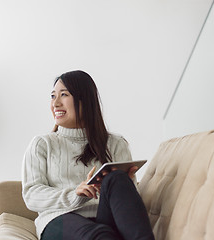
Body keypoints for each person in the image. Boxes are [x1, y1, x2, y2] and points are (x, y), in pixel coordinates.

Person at [22, 70, 154, 240]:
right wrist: (74, 194)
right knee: (99, 235)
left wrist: (126, 184)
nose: (56, 103)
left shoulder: (116, 144)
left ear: (85, 100)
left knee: (117, 179)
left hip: (104, 217)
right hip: (58, 218)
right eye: (53, 96)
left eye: (64, 95)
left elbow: (131, 207)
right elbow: (32, 195)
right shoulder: (42, 144)